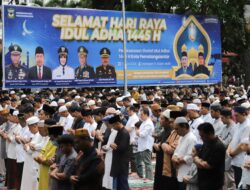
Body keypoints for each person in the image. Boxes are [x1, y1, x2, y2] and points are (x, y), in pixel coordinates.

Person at [193, 122, 226, 190]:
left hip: (213, 183)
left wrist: (197, 159)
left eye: (202, 136)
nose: (201, 138)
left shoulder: (218, 146)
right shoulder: (206, 142)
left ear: (210, 133)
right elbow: (197, 157)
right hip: (202, 181)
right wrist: (198, 160)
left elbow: (207, 165)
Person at [172, 117, 197, 190]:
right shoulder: (181, 137)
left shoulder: (192, 138)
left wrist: (179, 160)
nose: (176, 131)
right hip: (180, 169)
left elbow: (191, 156)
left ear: (184, 127)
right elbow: (176, 151)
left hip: (187, 170)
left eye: (177, 129)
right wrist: (174, 157)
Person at [109, 115, 130, 190]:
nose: (113, 127)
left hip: (122, 163)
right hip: (118, 162)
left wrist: (114, 146)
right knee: (119, 184)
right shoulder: (119, 132)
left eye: (114, 125)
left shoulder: (124, 133)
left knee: (123, 184)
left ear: (118, 123)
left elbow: (122, 148)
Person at [136, 108, 154, 182]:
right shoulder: (144, 122)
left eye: (142, 114)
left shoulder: (148, 123)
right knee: (145, 161)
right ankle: (147, 176)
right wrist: (138, 133)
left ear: (146, 114)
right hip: (143, 144)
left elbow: (143, 134)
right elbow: (139, 133)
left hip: (146, 145)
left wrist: (138, 132)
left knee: (147, 162)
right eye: (140, 114)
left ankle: (149, 177)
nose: (140, 116)